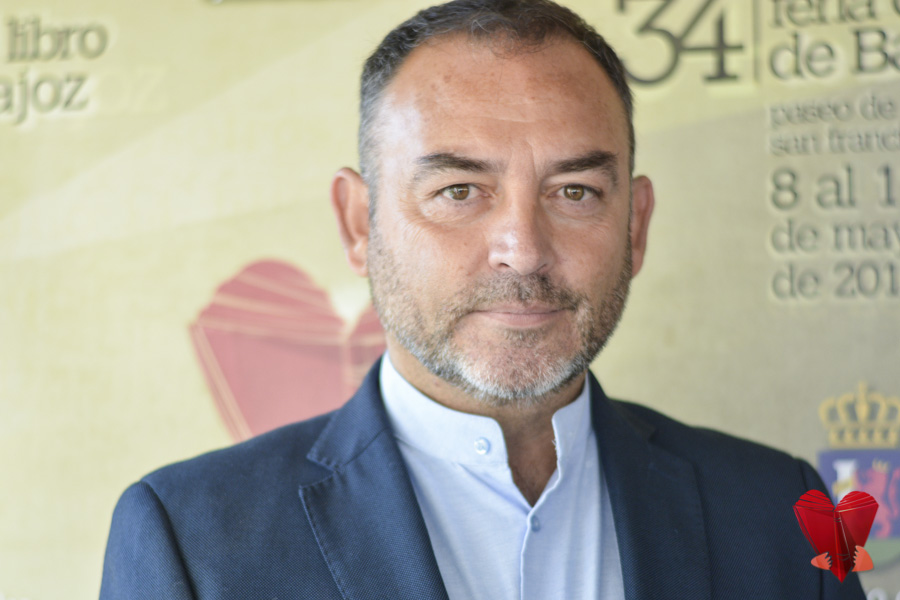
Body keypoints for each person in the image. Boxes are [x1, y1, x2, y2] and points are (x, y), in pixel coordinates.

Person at [100, 1, 866, 598]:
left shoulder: (786, 511)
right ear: (359, 223)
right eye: (459, 190)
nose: (523, 248)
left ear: (635, 226)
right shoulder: (192, 539)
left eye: (574, 191)